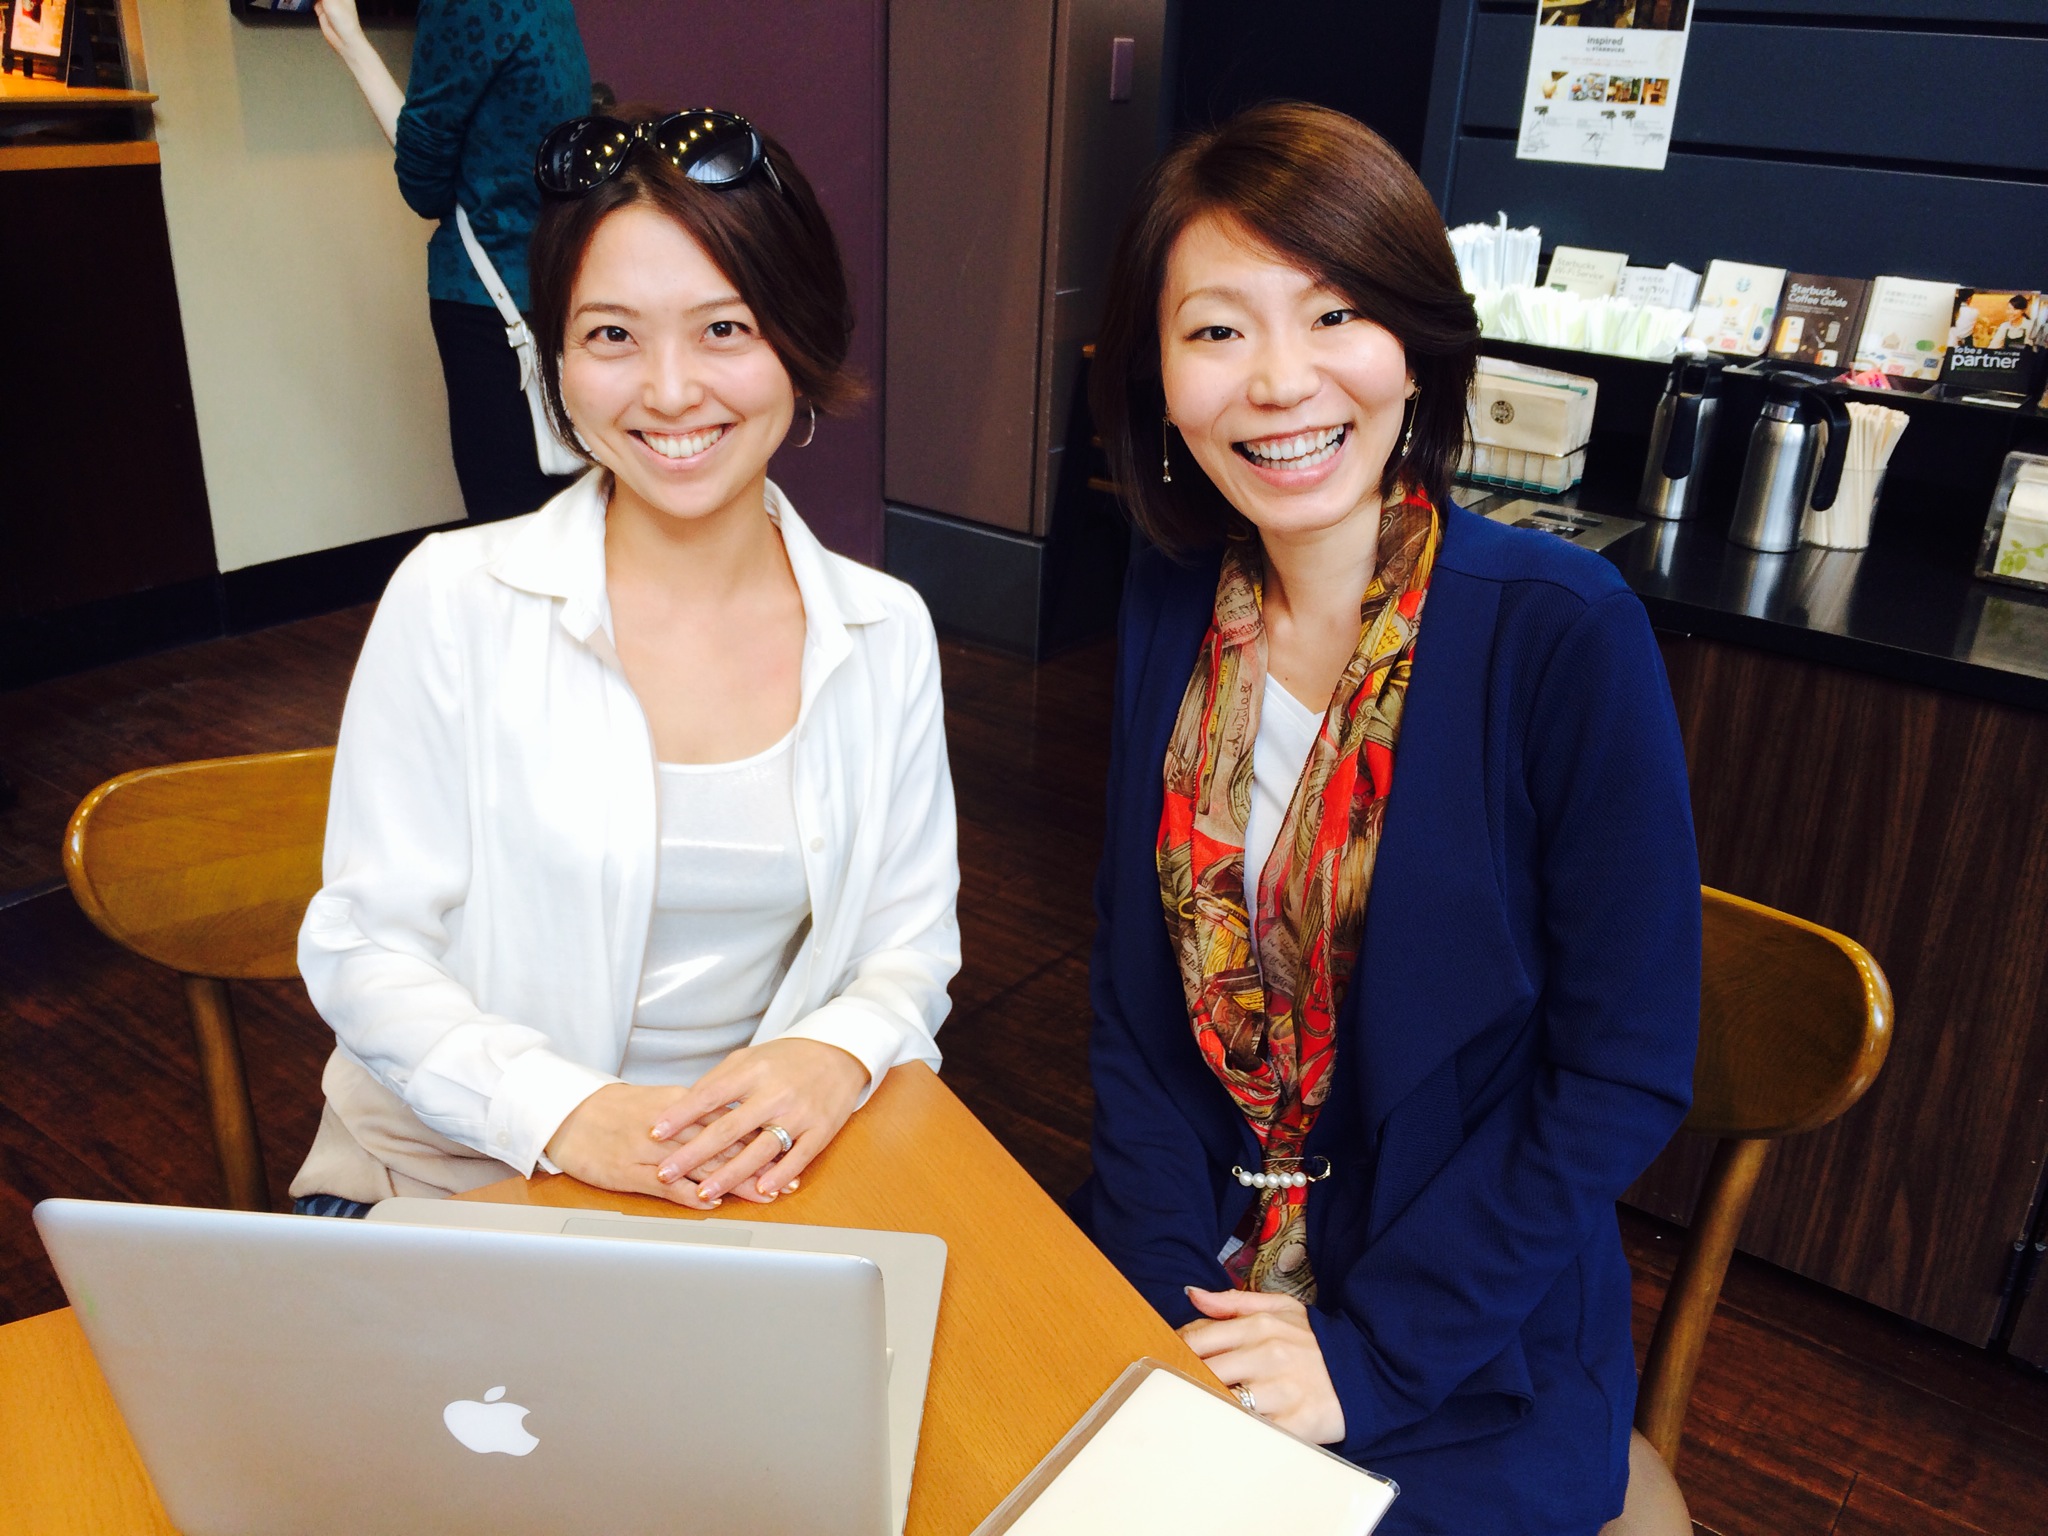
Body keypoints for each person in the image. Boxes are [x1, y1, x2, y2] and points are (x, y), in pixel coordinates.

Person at [1075, 102, 1699, 1534]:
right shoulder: (1172, 600)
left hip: (1463, 1313)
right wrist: (1166, 1301)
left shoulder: (1559, 628)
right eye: (1216, 329)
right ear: (1157, 376)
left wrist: (1366, 1358)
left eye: (1334, 314)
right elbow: (1133, 997)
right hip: (1200, 1249)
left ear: (1414, 345)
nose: (1278, 381)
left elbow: (1620, 1071)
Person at [289, 109, 959, 1219]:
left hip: (746, 1191)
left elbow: (908, 944)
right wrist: (566, 1114)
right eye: (612, 336)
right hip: (461, 1184)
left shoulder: (885, 631)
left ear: (799, 340)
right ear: (557, 358)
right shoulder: (453, 600)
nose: (670, 391)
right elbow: (364, 947)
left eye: (724, 328)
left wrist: (835, 1052)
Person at [316, 0, 589, 521]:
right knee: (559, 517)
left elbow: (425, 184)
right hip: (550, 279)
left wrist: (353, 44)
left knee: (509, 523)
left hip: (487, 297)